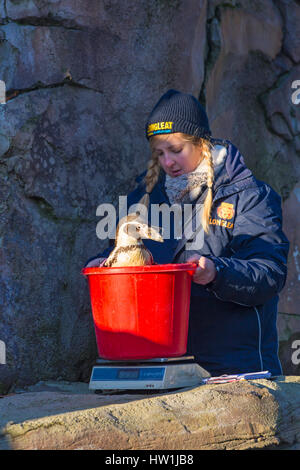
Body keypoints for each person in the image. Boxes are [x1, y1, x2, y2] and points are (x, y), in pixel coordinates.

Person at [86, 89, 289, 376]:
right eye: (160, 153)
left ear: (202, 144)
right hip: (157, 368)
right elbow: (117, 255)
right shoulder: (141, 199)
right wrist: (104, 268)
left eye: (176, 150)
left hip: (235, 374)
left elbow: (270, 272)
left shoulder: (250, 196)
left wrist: (217, 273)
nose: (167, 162)